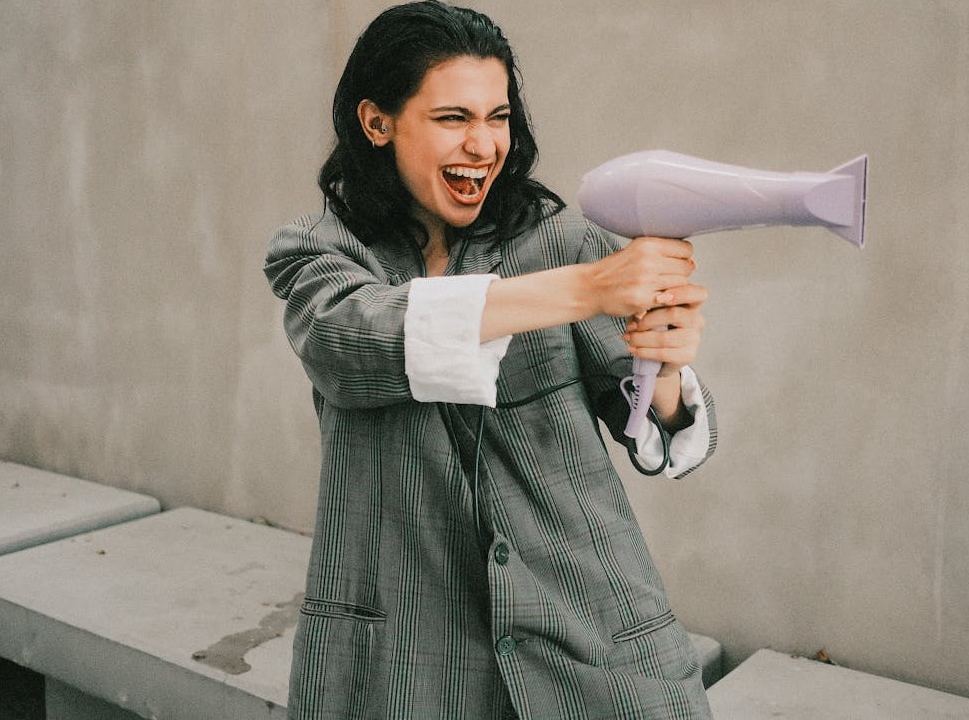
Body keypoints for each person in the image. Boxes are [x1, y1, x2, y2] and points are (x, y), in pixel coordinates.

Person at [264, 2, 718, 717]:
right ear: (376, 122)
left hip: (593, 643)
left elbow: (656, 433)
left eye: (497, 117)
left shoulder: (560, 237)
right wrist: (587, 289)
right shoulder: (318, 253)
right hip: (404, 662)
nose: (484, 145)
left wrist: (665, 369)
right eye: (453, 118)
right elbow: (355, 343)